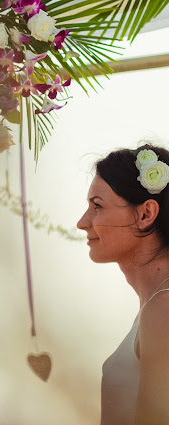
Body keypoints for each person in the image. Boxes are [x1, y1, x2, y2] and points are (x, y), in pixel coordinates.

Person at [77, 143, 169, 425]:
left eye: (97, 206)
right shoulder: (154, 305)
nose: (82, 223)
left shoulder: (163, 308)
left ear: (145, 214)